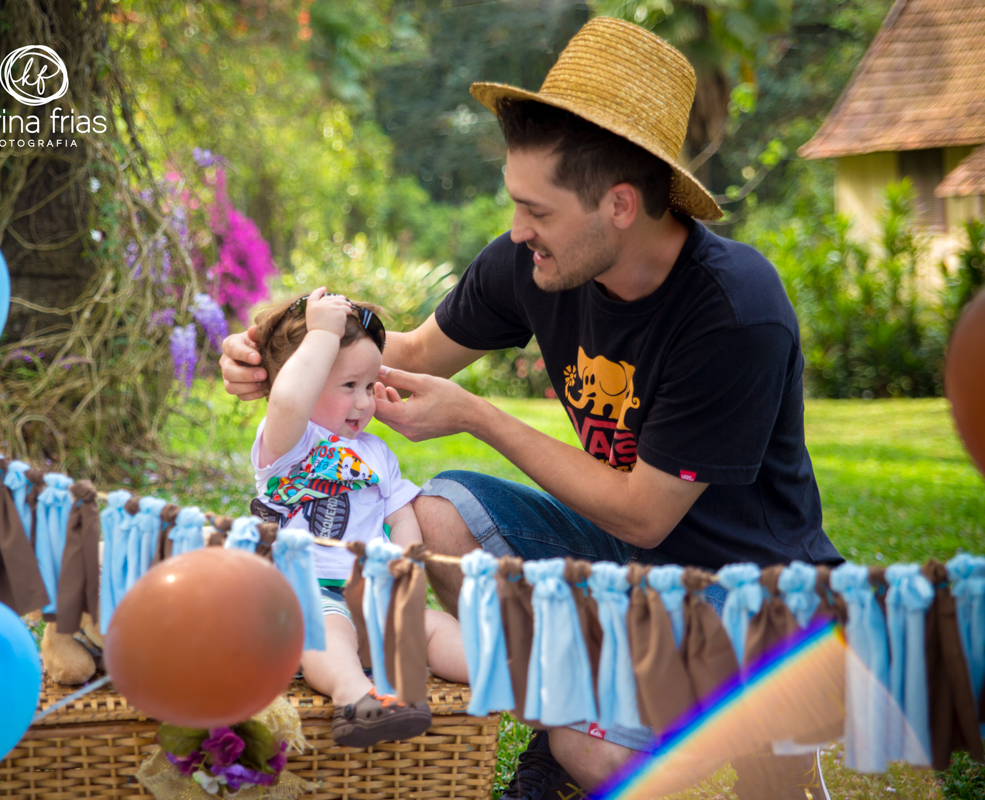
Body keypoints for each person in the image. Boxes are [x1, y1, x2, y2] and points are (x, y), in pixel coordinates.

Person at [225, 17, 839, 799]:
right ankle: (591, 708)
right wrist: (286, 353)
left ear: (620, 204)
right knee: (444, 511)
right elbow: (406, 352)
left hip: (750, 595)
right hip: (625, 567)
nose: (518, 231)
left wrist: (479, 415)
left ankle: (753, 727)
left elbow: (646, 515)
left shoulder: (733, 313)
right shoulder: (534, 262)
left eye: (537, 210)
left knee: (621, 757)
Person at [250, 286, 468, 748]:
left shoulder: (376, 453)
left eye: (368, 387)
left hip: (373, 598)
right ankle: (356, 698)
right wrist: (322, 334)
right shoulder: (289, 443)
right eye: (348, 386)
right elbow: (288, 399)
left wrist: (405, 564)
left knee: (435, 629)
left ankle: (506, 669)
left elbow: (402, 515)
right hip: (305, 598)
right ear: (304, 378)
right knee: (327, 632)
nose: (365, 402)